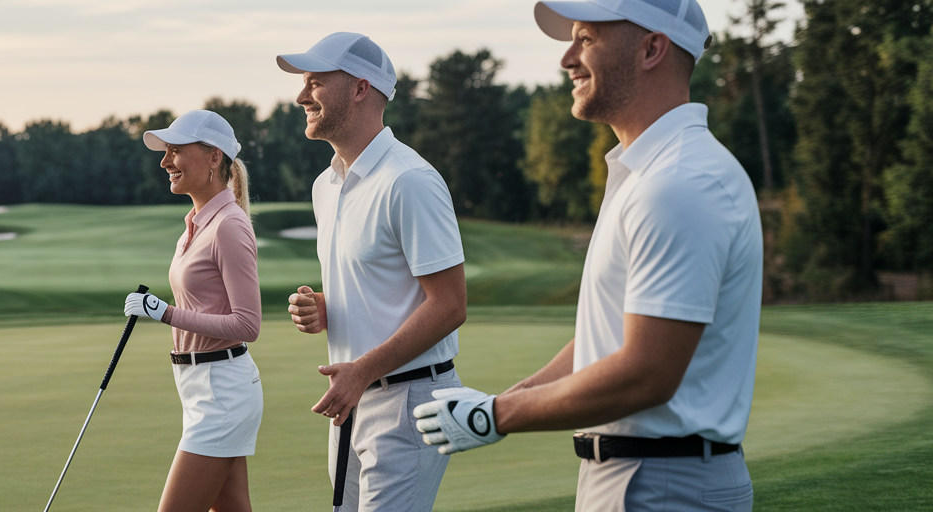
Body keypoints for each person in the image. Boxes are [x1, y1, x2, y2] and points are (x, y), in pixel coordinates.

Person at [412, 1, 762, 511]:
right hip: (640, 476)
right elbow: (607, 341)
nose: (567, 59)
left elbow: (647, 371)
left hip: (662, 486)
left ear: (651, 48)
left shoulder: (680, 183)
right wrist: (498, 402)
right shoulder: (648, 174)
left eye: (587, 39)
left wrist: (499, 415)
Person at [278, 32, 469, 511]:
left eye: (316, 82)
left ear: (361, 88)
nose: (302, 95)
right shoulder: (327, 184)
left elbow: (449, 305)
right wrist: (328, 307)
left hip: (409, 402)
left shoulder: (410, 180)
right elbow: (380, 285)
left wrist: (362, 370)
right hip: (353, 400)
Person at [124, 109, 263, 512]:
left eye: (175, 151)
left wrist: (164, 312)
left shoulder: (228, 226)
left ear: (214, 157)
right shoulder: (196, 223)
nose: (165, 161)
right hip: (198, 385)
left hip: (222, 390)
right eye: (165, 152)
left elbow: (247, 323)